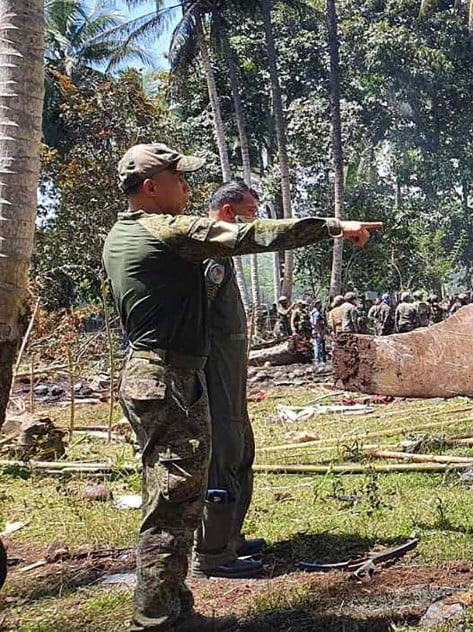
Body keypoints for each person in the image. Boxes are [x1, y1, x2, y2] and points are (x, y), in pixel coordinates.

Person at [103, 142, 381, 631]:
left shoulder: (120, 234)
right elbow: (252, 236)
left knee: (179, 497)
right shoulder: (165, 231)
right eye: (178, 179)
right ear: (149, 187)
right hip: (166, 377)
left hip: (158, 374)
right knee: (172, 501)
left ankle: (173, 604)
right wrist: (335, 227)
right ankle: (158, 618)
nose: (187, 188)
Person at [192, 182, 263, 581]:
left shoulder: (224, 256)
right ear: (226, 213)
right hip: (215, 375)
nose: (254, 220)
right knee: (222, 454)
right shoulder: (212, 256)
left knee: (240, 451)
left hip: (231, 376)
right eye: (249, 212)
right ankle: (213, 552)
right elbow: (197, 316)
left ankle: (231, 538)